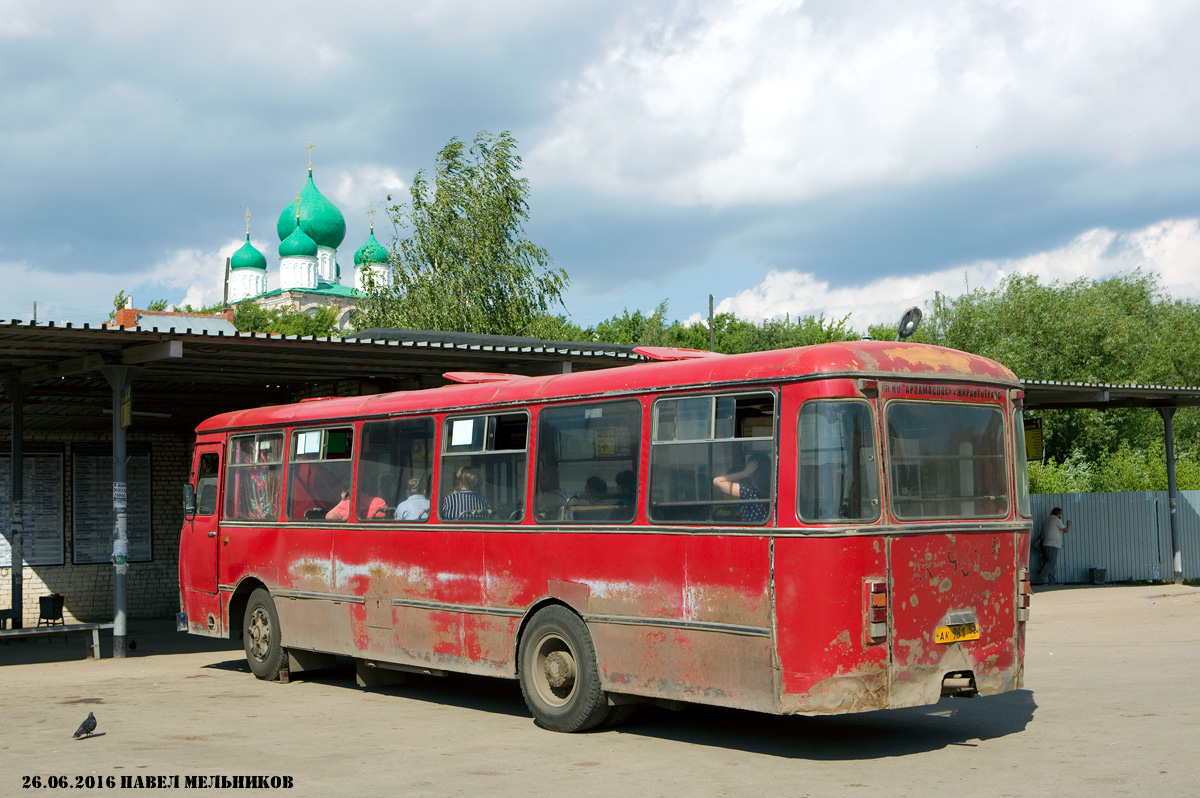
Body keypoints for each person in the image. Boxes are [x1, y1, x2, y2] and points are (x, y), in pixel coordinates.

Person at [713, 451, 772, 523]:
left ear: (752, 470)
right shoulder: (772, 488)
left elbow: (717, 481)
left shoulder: (749, 490)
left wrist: (744, 473)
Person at [1039, 507, 1072, 584]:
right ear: (1057, 513)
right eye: (1060, 513)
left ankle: (1052, 580)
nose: (1061, 515)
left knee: (1050, 562)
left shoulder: (1047, 520)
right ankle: (1042, 578)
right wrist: (1068, 525)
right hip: (1053, 544)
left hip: (1046, 543)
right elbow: (1066, 530)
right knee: (1051, 562)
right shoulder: (1056, 520)